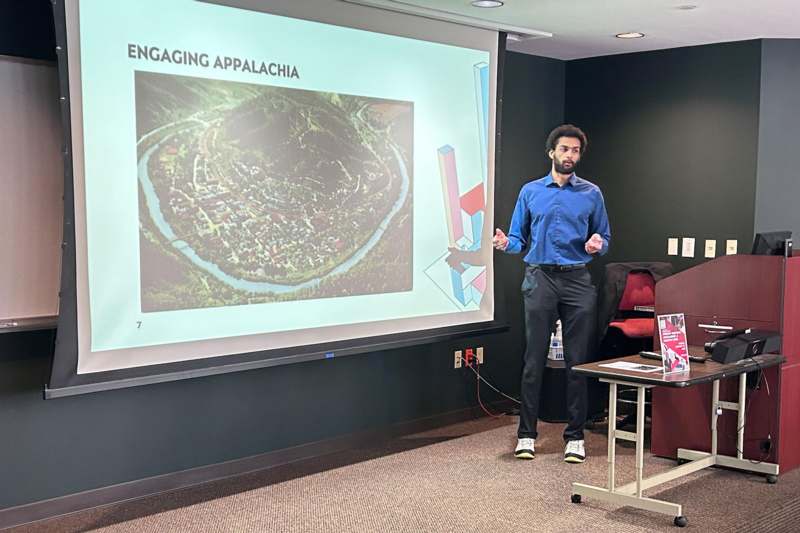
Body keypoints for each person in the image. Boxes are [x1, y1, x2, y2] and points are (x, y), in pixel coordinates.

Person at [493, 124, 611, 464]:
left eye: (575, 151)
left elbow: (604, 237)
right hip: (540, 278)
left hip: (577, 281)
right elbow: (517, 239)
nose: (570, 155)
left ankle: (575, 436)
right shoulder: (530, 192)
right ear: (552, 153)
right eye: (564, 150)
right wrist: (504, 244)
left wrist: (597, 243)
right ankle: (527, 434)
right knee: (534, 361)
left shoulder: (591, 193)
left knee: (578, 362)